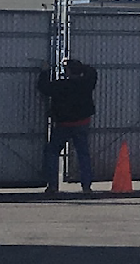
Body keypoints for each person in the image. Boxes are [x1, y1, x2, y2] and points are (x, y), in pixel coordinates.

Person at [36, 55, 100, 195]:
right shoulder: (86, 83)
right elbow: (93, 72)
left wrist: (45, 71)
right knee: (83, 154)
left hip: (63, 124)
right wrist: (80, 66)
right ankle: (86, 186)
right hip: (82, 123)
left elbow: (43, 88)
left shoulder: (60, 85)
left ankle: (53, 185)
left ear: (68, 72)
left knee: (52, 152)